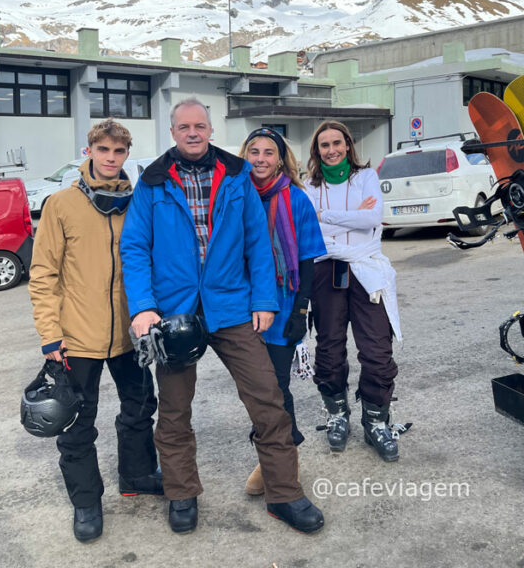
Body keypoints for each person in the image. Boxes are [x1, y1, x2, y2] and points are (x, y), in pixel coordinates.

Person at [121, 98, 324, 535]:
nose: (192, 133)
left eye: (200, 125)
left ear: (210, 130)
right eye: (184, 127)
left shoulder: (236, 176)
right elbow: (135, 248)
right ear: (172, 132)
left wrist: (264, 301)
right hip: (175, 314)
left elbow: (257, 242)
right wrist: (142, 307)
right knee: (175, 411)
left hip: (232, 306)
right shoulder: (152, 182)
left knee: (267, 400)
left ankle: (284, 494)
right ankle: (181, 494)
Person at [28, 119, 162, 543]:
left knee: (140, 408)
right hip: (77, 338)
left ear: (126, 155)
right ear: (89, 152)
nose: (110, 158)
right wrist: (51, 335)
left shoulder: (139, 202)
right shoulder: (61, 204)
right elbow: (43, 274)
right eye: (102, 150)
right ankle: (87, 500)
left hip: (129, 334)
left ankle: (138, 474)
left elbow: (151, 263)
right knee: (76, 424)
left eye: (118, 151)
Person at [303, 120, 402, 462]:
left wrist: (326, 217)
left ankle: (376, 419)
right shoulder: (308, 185)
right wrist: (350, 218)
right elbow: (309, 228)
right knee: (329, 349)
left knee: (377, 350)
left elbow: (372, 218)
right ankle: (336, 414)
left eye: (336, 143)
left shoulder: (366, 177)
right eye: (323, 145)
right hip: (325, 268)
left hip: (366, 269)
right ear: (316, 151)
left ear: (348, 145)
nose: (331, 150)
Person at [238, 127, 325, 495]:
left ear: (280, 158)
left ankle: (282, 458)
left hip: (283, 304)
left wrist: (300, 311)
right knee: (254, 390)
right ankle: (275, 452)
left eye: (268, 152)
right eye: (253, 151)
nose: (260, 159)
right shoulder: (235, 196)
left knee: (275, 386)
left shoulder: (297, 199)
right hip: (241, 305)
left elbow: (308, 260)